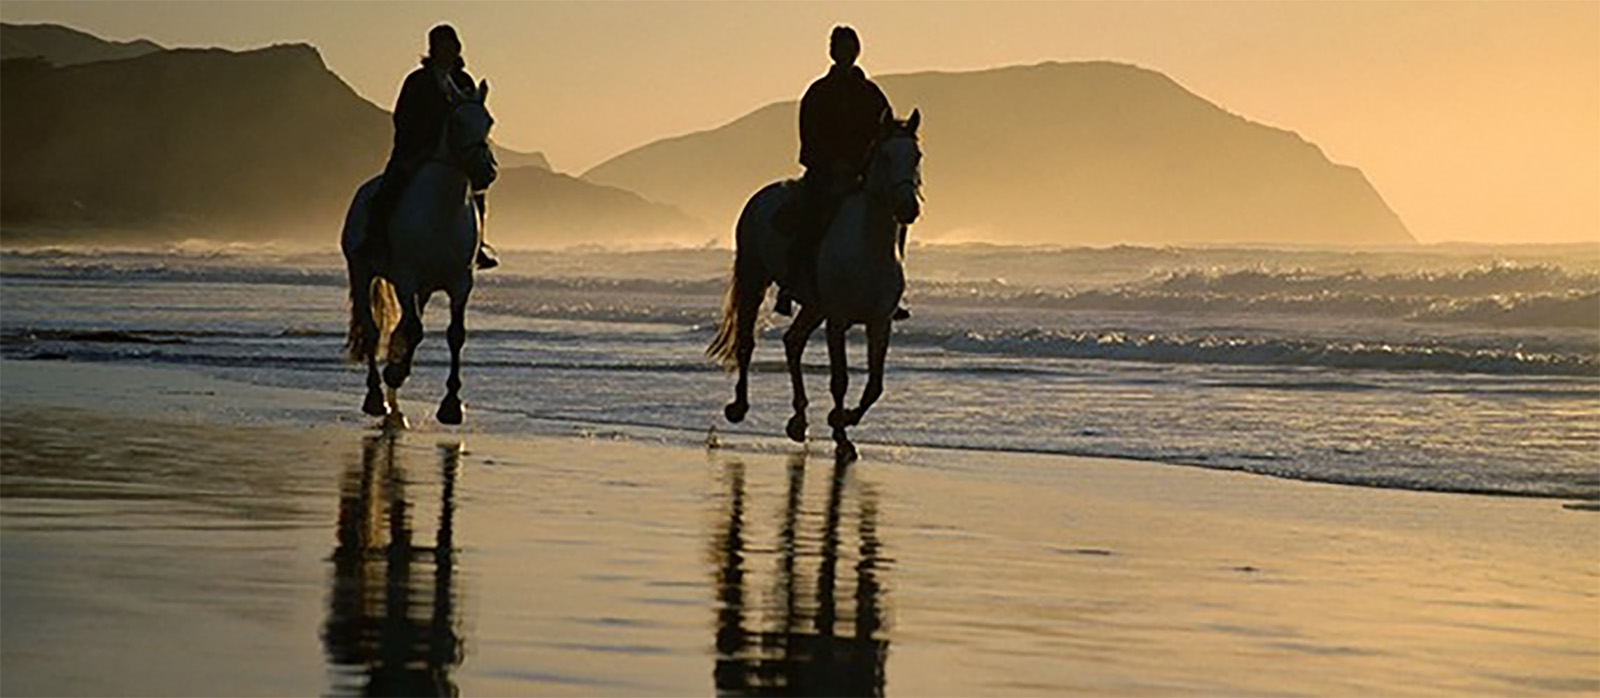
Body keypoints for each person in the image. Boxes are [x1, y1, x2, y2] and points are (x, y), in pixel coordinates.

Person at [776, 26, 905, 319]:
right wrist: (831, 165)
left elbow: (884, 134)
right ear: (832, 52)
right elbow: (809, 135)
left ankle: (890, 290)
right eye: (839, 48)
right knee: (812, 214)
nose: (844, 53)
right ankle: (793, 283)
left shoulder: (872, 94)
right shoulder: (818, 93)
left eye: (849, 48)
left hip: (862, 175)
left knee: (893, 221)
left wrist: (867, 167)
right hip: (825, 173)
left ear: (856, 51)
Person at [360, 24, 498, 270]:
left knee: (478, 192)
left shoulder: (464, 80)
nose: (447, 51)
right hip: (415, 150)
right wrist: (422, 145)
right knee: (390, 188)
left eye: (451, 46)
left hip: (455, 154)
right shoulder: (417, 81)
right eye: (441, 46)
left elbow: (470, 118)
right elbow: (403, 118)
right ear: (433, 50)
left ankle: (477, 247)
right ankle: (375, 243)